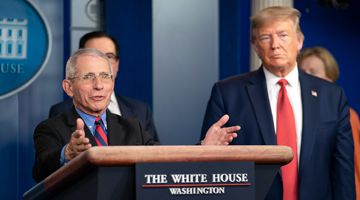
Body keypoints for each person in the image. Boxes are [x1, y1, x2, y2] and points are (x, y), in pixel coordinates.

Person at [200, 6, 355, 199]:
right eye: (265, 37)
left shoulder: (332, 96)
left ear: (299, 41)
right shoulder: (227, 94)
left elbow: (343, 173)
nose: (275, 45)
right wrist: (204, 149)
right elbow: (206, 164)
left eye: (283, 35)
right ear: (255, 46)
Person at [33, 49, 240, 182]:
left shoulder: (133, 128)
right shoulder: (51, 128)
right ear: (69, 87)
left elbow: (166, 162)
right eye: (89, 77)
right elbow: (41, 171)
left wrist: (203, 148)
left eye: (105, 76)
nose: (99, 85)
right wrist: (68, 152)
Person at [48, 31, 159, 142]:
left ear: (117, 63)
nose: (101, 62)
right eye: (94, 55)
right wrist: (68, 153)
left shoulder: (141, 111)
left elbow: (154, 155)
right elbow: (51, 156)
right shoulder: (60, 113)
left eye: (109, 56)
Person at [298, 46, 360, 200]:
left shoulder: (345, 115)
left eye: (313, 72)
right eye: (302, 72)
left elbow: (353, 168)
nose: (306, 78)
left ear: (329, 79)